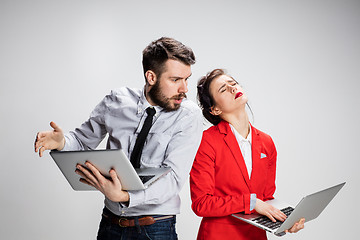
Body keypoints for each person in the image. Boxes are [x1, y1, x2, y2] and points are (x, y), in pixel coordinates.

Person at [34, 37, 203, 240]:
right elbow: (81, 140)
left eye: (187, 79)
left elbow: (174, 179)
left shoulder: (188, 115)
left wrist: (125, 197)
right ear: (151, 77)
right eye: (175, 80)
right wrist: (62, 142)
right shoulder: (117, 101)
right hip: (111, 223)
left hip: (156, 227)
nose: (184, 89)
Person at [190, 69, 305, 239]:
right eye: (223, 89)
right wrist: (250, 202)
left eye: (233, 83)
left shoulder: (267, 142)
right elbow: (202, 203)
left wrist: (285, 222)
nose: (232, 88)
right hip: (219, 235)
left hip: (255, 235)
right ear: (214, 109)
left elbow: (265, 198)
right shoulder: (207, 141)